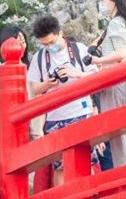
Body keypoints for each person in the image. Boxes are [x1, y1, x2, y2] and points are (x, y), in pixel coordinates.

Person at [28, 14, 100, 186]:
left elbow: (96, 76)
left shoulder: (79, 49)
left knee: (86, 160)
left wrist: (74, 74)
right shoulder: (40, 57)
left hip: (81, 111)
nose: (49, 47)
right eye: (44, 44)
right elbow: (34, 88)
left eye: (52, 42)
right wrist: (48, 83)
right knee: (60, 166)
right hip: (55, 117)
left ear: (60, 33)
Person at [85, 0, 126, 167]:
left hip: (116, 82)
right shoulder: (122, 22)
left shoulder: (116, 23)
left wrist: (97, 60)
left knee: (118, 135)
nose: (100, 3)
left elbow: (120, 53)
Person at [0, 27, 43, 178]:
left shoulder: (32, 68)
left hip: (25, 125)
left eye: (23, 41)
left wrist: (37, 130)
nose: (21, 45)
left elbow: (37, 99)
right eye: (17, 41)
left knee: (24, 172)